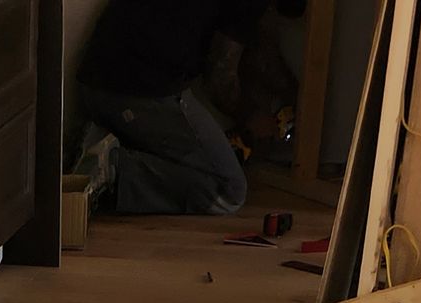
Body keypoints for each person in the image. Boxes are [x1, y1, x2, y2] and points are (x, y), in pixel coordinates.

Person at [73, 1, 284, 218]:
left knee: (190, 164)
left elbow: (259, 53)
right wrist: (252, 117)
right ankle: (111, 166)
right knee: (228, 190)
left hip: (94, 84)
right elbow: (219, 80)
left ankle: (102, 140)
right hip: (136, 93)